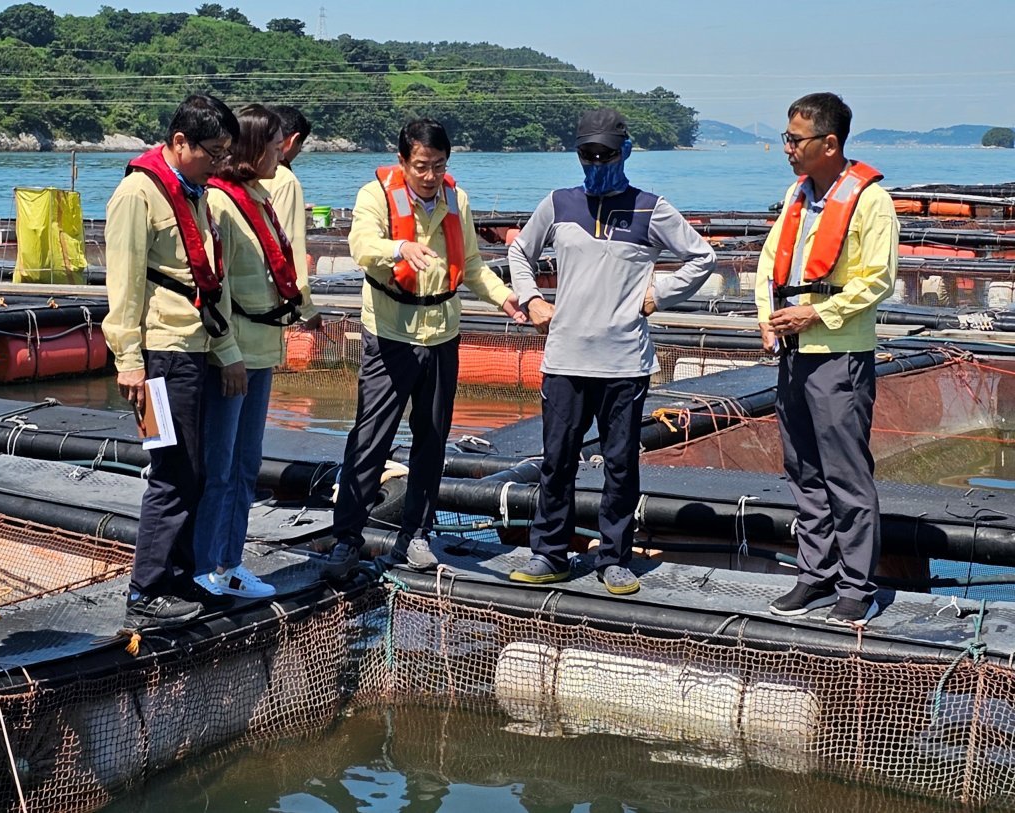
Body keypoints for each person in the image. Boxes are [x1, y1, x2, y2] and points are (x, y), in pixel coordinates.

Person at [506, 109, 716, 596]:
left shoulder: (650, 208)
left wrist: (659, 293)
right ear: (578, 154)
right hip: (564, 359)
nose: (597, 163)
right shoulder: (559, 204)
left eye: (606, 154)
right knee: (556, 460)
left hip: (625, 363)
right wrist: (533, 298)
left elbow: (702, 257)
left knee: (621, 463)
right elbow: (520, 252)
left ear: (626, 152)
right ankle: (549, 553)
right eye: (588, 155)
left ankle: (615, 557)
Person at [323, 118, 526, 580]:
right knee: (370, 439)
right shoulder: (374, 195)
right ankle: (346, 538)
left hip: (441, 333)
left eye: (439, 165)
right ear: (402, 162)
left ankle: (416, 532)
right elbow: (361, 246)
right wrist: (400, 248)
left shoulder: (457, 199)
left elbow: (471, 266)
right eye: (421, 166)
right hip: (392, 331)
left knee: (432, 439)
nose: (430, 175)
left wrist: (506, 298)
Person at [755, 93, 897, 626]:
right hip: (792, 351)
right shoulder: (797, 194)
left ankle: (857, 585)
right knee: (802, 467)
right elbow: (772, 263)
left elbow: (876, 280)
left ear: (829, 143)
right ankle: (814, 574)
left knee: (846, 471)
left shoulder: (870, 201)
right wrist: (767, 318)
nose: (787, 148)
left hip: (839, 352)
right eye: (787, 138)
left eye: (795, 140)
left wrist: (815, 315)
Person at [102, 93, 240, 629]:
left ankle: (177, 577)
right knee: (171, 471)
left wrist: (225, 351)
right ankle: (147, 588)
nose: (220, 163)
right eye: (213, 152)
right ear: (179, 143)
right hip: (158, 357)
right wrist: (128, 361)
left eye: (226, 152)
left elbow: (208, 282)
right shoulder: (138, 193)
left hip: (193, 350)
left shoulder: (195, 191)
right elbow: (124, 284)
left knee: (196, 471)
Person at [196, 104, 313, 597]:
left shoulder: (261, 195)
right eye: (270, 144)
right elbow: (215, 286)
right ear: (249, 149)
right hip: (236, 351)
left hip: (264, 348)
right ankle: (203, 569)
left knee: (245, 465)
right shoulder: (220, 203)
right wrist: (227, 353)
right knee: (217, 466)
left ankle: (230, 562)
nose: (278, 152)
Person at [261, 104, 320, 329]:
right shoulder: (285, 179)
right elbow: (289, 246)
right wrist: (306, 309)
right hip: (270, 305)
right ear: (293, 140)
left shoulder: (230, 173)